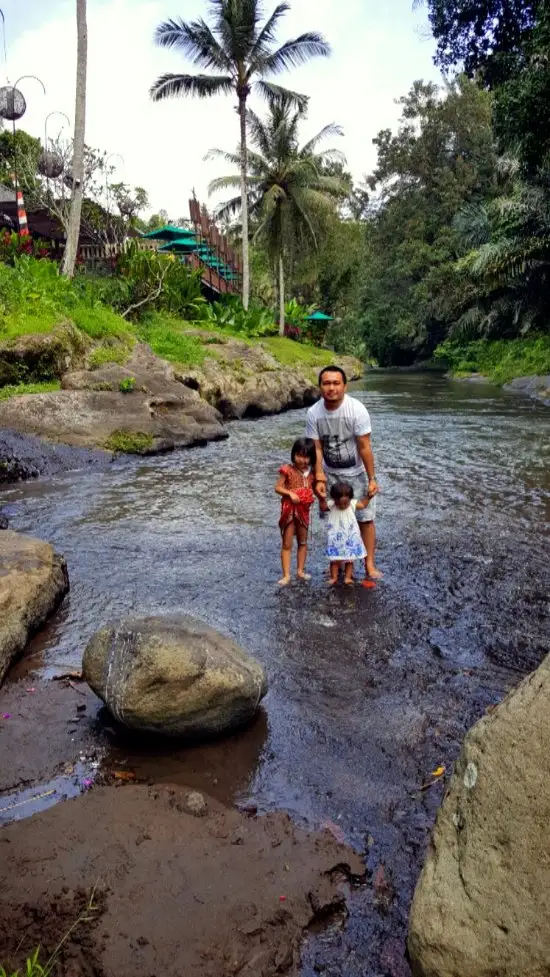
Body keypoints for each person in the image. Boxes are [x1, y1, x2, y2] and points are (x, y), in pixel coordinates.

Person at [306, 365, 382, 580]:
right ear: (320, 386)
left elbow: (365, 446)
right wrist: (318, 476)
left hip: (355, 472)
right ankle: (337, 563)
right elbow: (317, 447)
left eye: (336, 383)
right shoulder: (314, 413)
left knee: (365, 518)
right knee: (334, 520)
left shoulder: (356, 410)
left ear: (345, 386)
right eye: (326, 383)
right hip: (329, 474)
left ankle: (369, 564)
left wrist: (372, 479)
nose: (331, 388)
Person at [275, 437, 316, 586]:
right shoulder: (287, 470)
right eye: (299, 456)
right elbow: (278, 487)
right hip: (290, 510)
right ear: (293, 455)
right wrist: (290, 493)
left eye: (306, 457)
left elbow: (316, 488)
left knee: (303, 541)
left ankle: (300, 570)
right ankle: (286, 575)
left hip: (304, 511)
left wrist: (320, 497)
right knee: (287, 543)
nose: (302, 460)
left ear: (311, 458)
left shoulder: (312, 473)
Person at [325, 481, 373, 585]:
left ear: (350, 499)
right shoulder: (331, 504)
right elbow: (322, 507)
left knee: (350, 560)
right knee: (334, 560)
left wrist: (369, 497)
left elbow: (363, 504)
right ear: (334, 499)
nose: (342, 506)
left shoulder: (352, 504)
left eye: (345, 503)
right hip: (335, 538)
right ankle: (333, 577)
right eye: (339, 503)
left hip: (350, 536)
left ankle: (347, 577)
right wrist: (320, 496)